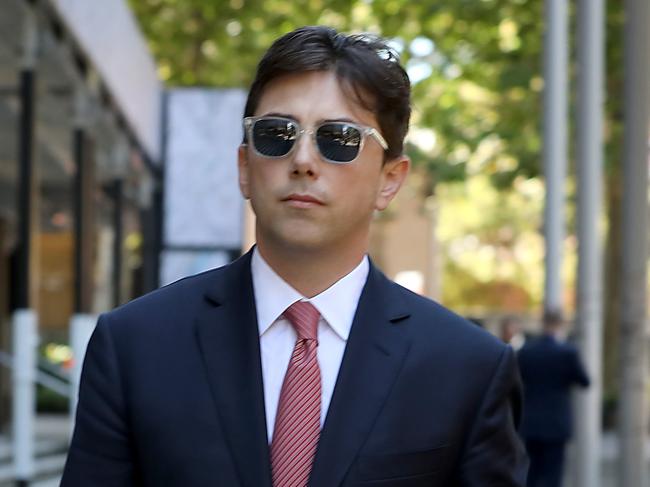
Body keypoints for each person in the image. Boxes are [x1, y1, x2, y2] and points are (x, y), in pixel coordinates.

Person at [61, 26, 527, 486]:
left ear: (390, 179)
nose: (303, 159)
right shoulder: (135, 346)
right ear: (245, 167)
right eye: (277, 134)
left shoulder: (467, 368)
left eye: (339, 138)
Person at [517, 311, 590, 487]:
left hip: (531, 422)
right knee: (553, 474)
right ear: (560, 325)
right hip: (556, 423)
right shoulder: (567, 353)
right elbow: (584, 381)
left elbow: (516, 381)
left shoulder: (526, 352)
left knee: (532, 472)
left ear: (542, 323)